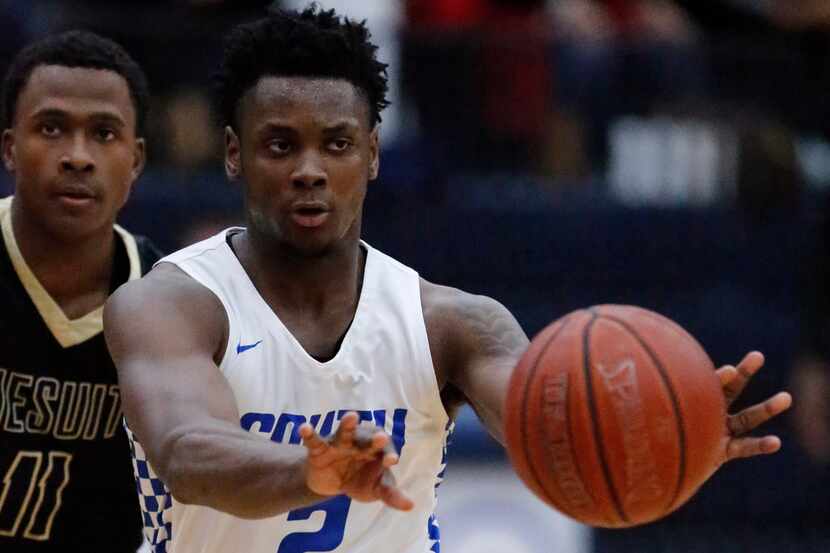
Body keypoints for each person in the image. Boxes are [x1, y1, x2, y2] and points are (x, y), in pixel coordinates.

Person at [104, 7, 793, 553]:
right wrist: (307, 472)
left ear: (372, 154)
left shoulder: (452, 323)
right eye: (281, 144)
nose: (309, 169)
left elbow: (551, 432)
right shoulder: (171, 303)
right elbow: (185, 449)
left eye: (336, 144)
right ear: (234, 155)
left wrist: (663, 434)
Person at [0, 31, 161, 551]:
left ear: (135, 161)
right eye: (51, 128)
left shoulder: (169, 294)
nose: (77, 157)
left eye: (103, 134)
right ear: (9, 148)